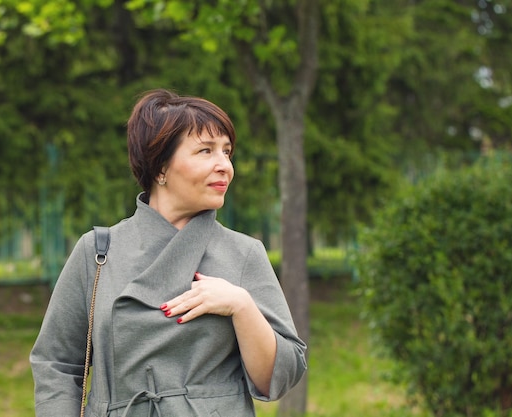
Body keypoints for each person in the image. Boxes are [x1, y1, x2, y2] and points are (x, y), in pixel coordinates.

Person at [30, 89, 307, 417]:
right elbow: (56, 365)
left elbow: (279, 378)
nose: (225, 167)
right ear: (160, 167)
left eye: (227, 152)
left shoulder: (244, 253)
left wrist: (241, 305)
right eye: (206, 151)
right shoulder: (98, 252)